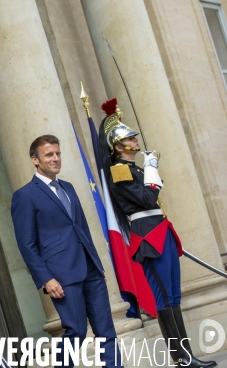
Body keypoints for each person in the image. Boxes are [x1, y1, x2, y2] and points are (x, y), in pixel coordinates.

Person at [98, 98, 216, 368]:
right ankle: (181, 358)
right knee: (163, 296)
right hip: (148, 237)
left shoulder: (135, 169)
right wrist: (152, 167)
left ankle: (187, 357)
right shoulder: (120, 172)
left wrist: (147, 168)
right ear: (118, 147)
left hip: (159, 231)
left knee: (174, 295)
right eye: (130, 139)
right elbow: (148, 199)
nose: (135, 141)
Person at [11, 135, 121, 368]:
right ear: (35, 160)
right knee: (77, 331)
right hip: (61, 274)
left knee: (106, 330)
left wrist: (98, 265)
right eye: (49, 155)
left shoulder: (68, 187)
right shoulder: (25, 195)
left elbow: (81, 228)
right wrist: (46, 279)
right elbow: (26, 244)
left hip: (90, 268)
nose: (55, 158)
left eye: (58, 153)